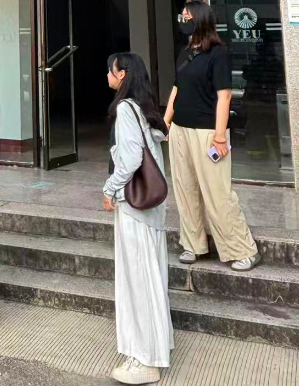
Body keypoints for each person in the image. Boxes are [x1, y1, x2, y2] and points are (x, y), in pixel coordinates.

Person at [165, 1, 260, 272]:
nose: (182, 20)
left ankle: (243, 249)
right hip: (181, 130)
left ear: (201, 20)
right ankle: (193, 244)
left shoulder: (219, 53)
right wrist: (166, 122)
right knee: (185, 189)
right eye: (182, 16)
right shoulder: (185, 52)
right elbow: (176, 89)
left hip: (208, 132)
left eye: (187, 16)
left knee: (218, 192)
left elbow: (224, 96)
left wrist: (220, 136)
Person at [103, 53, 174, 385]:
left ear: (122, 75)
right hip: (152, 209)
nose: (108, 75)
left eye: (111, 70)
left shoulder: (125, 110)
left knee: (138, 279)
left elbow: (131, 159)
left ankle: (145, 359)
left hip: (134, 207)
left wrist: (110, 188)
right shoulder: (145, 110)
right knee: (150, 276)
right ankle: (155, 347)